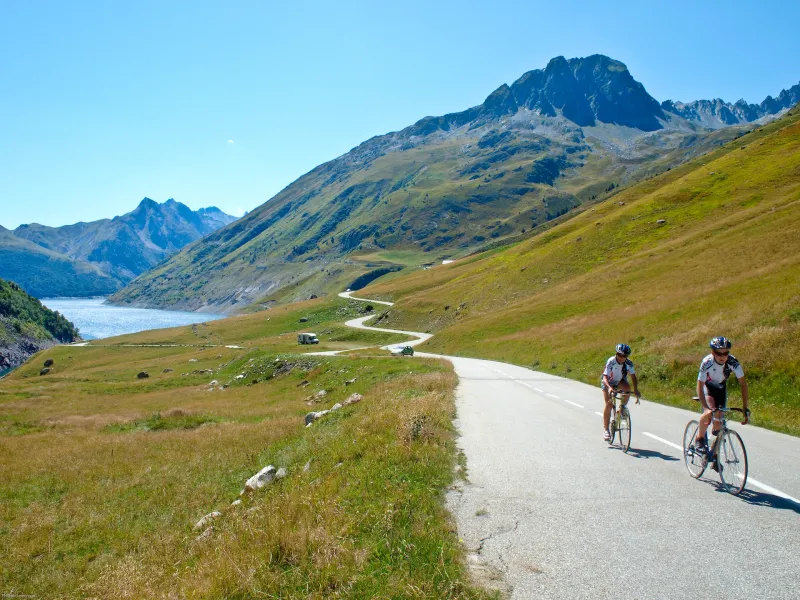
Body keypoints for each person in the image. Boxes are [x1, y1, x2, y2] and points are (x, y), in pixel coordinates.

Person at [694, 337, 750, 455]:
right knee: (709, 413)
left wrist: (745, 407)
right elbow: (700, 385)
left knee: (719, 422)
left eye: (725, 353)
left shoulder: (733, 362)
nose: (722, 356)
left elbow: (743, 385)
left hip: (720, 387)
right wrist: (705, 407)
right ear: (713, 352)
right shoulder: (707, 362)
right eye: (719, 353)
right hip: (707, 386)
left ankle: (714, 455)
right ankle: (699, 440)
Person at [601, 343, 640, 441]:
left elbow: (633, 377)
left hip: (620, 381)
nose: (622, 358)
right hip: (608, 381)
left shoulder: (629, 363)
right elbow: (605, 377)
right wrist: (609, 388)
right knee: (609, 404)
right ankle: (606, 430)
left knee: (627, 389)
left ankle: (622, 408)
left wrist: (635, 389)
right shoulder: (611, 361)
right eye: (620, 355)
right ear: (616, 353)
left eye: (624, 356)